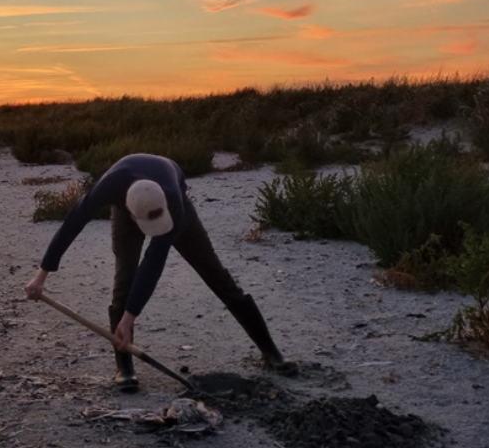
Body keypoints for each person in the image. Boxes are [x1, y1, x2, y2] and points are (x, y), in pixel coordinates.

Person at [24, 153, 297, 392]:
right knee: (124, 281)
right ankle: (125, 369)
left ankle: (270, 352)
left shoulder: (173, 206)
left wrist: (131, 317)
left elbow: (154, 261)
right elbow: (72, 223)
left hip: (174, 208)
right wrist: (42, 275)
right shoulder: (109, 188)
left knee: (217, 276)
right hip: (127, 206)